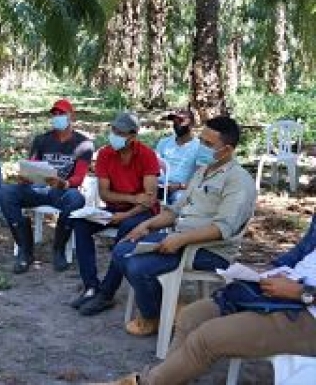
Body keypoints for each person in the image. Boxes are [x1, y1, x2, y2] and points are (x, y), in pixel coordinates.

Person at [93, 214, 316, 385]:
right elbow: (301, 253)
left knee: (207, 339)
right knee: (191, 316)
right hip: (282, 291)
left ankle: (146, 382)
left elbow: (223, 226)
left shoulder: (237, 180)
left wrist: (300, 292)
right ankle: (166, 379)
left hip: (306, 312)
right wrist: (268, 270)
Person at [113, 116, 256, 336]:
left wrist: (180, 240)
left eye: (209, 145)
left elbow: (222, 229)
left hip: (209, 250)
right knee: (122, 250)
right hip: (180, 239)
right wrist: (147, 225)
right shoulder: (202, 172)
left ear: (227, 150)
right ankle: (168, 309)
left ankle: (152, 317)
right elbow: (175, 211)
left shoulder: (239, 181)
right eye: (201, 141)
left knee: (137, 266)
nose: (202, 147)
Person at [72, 111, 160, 316]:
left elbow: (149, 200)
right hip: (115, 208)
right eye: (113, 130)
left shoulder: (146, 155)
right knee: (80, 224)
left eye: (120, 132)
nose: (115, 135)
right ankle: (91, 285)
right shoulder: (105, 154)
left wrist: (127, 213)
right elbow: (104, 192)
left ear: (132, 136)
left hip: (142, 213)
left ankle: (106, 293)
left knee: (127, 230)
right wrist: (131, 199)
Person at [0, 99, 93, 274]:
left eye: (62, 114)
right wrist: (26, 177)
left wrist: (64, 183)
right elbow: (32, 164)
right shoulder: (42, 140)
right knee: (6, 193)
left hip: (60, 191)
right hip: (36, 189)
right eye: (55, 114)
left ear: (71, 116)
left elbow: (79, 177)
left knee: (76, 199)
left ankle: (59, 249)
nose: (57, 117)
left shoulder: (83, 144)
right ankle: (24, 249)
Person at [155, 108, 202, 204]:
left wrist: (178, 186)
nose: (177, 124)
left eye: (181, 120)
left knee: (180, 199)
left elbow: (199, 178)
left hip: (180, 190)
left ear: (191, 124)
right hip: (158, 186)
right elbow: (153, 166)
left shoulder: (199, 148)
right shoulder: (164, 142)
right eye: (175, 120)